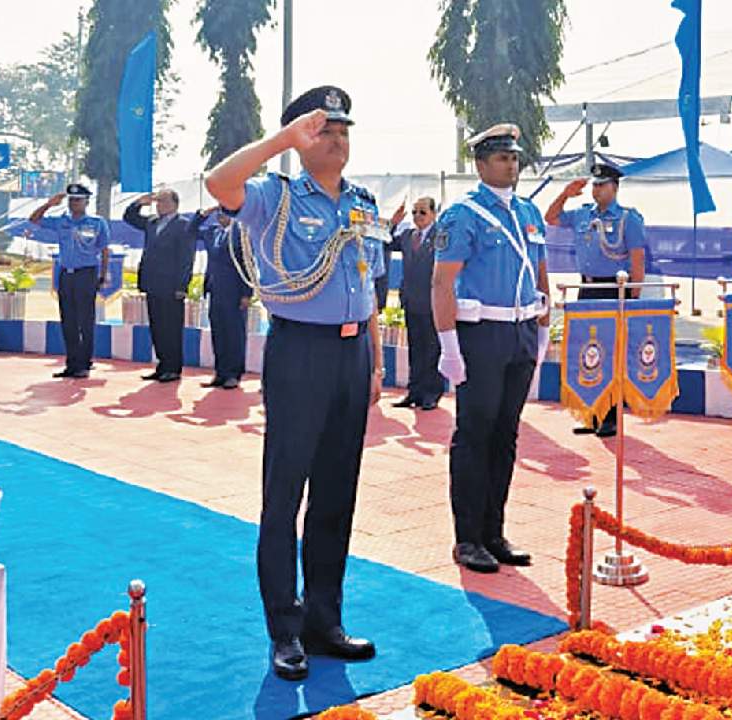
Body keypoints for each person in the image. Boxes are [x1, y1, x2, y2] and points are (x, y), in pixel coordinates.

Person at [204, 85, 383, 681]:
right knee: (285, 495)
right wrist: (280, 140)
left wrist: (375, 363)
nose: (337, 139)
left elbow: (368, 286)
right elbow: (218, 182)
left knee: (337, 492)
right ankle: (285, 629)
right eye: (324, 129)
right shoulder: (274, 197)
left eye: (342, 130)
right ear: (301, 138)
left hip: (353, 352)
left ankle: (323, 621)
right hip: (300, 351)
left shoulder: (362, 203)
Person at [433, 122, 549, 574]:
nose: (511, 165)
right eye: (502, 157)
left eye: (515, 157)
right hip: (481, 335)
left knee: (506, 436)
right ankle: (467, 538)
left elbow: (540, 271)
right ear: (481, 165)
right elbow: (442, 282)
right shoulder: (463, 214)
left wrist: (542, 329)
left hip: (520, 333)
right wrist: (449, 345)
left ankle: (493, 532)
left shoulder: (529, 211)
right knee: (475, 434)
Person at [544, 161, 645, 436]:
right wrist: (565, 194)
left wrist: (633, 297)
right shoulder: (583, 214)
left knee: (613, 353)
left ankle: (611, 416)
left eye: (602, 185)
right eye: (595, 185)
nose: (596, 190)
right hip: (587, 288)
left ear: (615, 187)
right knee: (587, 349)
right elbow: (551, 217)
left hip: (615, 289)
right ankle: (592, 413)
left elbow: (638, 259)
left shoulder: (627, 218)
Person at [28, 184, 110, 379]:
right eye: (71, 200)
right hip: (66, 274)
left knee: (85, 320)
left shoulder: (97, 223)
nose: (74, 203)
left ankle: (85, 363)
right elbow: (34, 219)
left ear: (86, 202)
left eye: (78, 200)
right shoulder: (61, 221)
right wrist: (49, 204)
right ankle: (72, 363)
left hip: (86, 274)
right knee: (68, 321)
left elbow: (104, 250)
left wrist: (103, 275)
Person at [123, 190, 206, 383]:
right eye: (157, 201)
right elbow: (129, 217)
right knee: (157, 327)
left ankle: (173, 368)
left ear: (174, 204)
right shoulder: (152, 222)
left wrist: (182, 286)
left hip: (171, 285)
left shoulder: (184, 225)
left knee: (171, 328)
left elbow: (187, 258)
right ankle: (162, 365)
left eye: (162, 201)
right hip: (152, 283)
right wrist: (139, 203)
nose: (158, 204)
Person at [392, 197, 443, 410]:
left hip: (432, 302)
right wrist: (393, 222)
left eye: (422, 212)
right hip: (411, 301)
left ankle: (431, 393)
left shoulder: (441, 236)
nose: (417, 216)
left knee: (432, 349)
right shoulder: (407, 235)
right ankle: (414, 392)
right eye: (414, 212)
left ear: (433, 214)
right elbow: (385, 241)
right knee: (415, 348)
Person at [198, 208, 252, 389]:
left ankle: (234, 374)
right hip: (215, 290)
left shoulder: (241, 233)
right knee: (219, 333)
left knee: (234, 334)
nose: (220, 216)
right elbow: (190, 230)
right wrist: (204, 213)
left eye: (224, 212)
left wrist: (247, 293)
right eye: (218, 213)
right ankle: (220, 373)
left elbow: (248, 263)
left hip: (234, 291)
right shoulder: (212, 232)